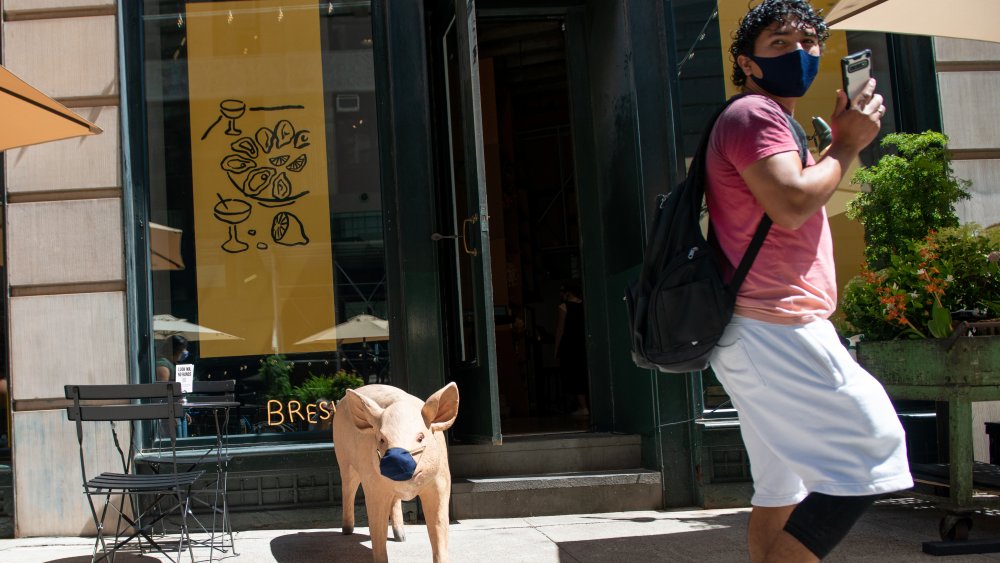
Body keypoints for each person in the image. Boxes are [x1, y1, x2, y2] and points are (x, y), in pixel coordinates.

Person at [704, 2, 913, 561]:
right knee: (876, 449)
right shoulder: (755, 115)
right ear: (747, 62)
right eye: (779, 43)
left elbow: (788, 201)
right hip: (777, 326)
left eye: (808, 41)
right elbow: (792, 203)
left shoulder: (770, 120)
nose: (799, 52)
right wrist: (847, 145)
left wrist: (831, 151)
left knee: (782, 484)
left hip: (759, 328)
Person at [554, 280, 589, 416]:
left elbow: (560, 329)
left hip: (570, 345)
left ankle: (582, 406)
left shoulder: (564, 307)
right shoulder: (584, 305)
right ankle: (585, 405)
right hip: (583, 344)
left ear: (567, 293)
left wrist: (556, 349)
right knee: (583, 373)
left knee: (573, 375)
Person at [155, 334, 192, 438]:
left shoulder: (171, 364)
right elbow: (162, 395)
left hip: (177, 413)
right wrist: (171, 415)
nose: (185, 352)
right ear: (177, 350)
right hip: (170, 416)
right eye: (183, 349)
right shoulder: (163, 366)